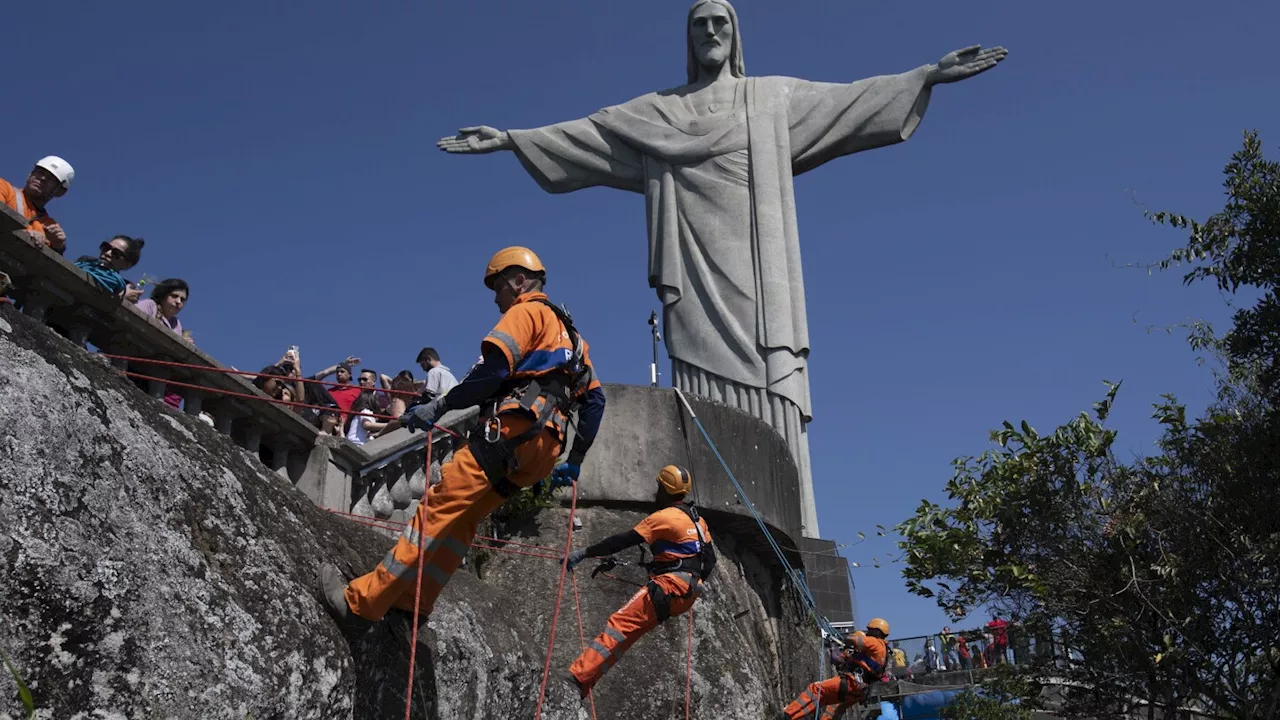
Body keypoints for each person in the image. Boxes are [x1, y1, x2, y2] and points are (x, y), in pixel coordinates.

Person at [316, 246, 607, 628]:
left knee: (437, 510)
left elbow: (492, 373)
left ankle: (360, 604)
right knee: (463, 522)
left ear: (519, 281)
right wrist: (577, 458)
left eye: (498, 287)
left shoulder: (526, 312)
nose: (496, 299)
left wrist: (440, 407)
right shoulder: (574, 337)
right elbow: (595, 401)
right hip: (543, 451)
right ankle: (415, 603)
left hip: (511, 431)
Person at [559, 465, 716, 697]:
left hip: (669, 586)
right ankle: (584, 683)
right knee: (626, 634)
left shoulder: (663, 517)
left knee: (619, 626)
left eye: (658, 488)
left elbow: (623, 540)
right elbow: (709, 561)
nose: (656, 493)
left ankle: (577, 678)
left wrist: (585, 552)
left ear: (664, 489)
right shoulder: (698, 522)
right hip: (687, 593)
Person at [779, 618, 890, 720]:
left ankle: (787, 714)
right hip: (859, 692)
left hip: (852, 683)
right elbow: (841, 661)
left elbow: (853, 640)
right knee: (821, 699)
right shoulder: (882, 653)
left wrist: (843, 638)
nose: (867, 633)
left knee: (815, 689)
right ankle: (791, 717)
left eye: (870, 630)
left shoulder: (875, 642)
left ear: (877, 632)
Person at [1, 156, 74, 253]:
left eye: (51, 179)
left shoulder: (50, 225)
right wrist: (24, 235)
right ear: (30, 174)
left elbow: (46, 263)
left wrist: (58, 246)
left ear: (60, 191)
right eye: (40, 172)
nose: (43, 178)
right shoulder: (4, 189)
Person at [73, 236, 144, 297]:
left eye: (116, 253)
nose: (107, 253)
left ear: (127, 264)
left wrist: (122, 298)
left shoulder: (123, 289)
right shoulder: (83, 263)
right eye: (106, 248)